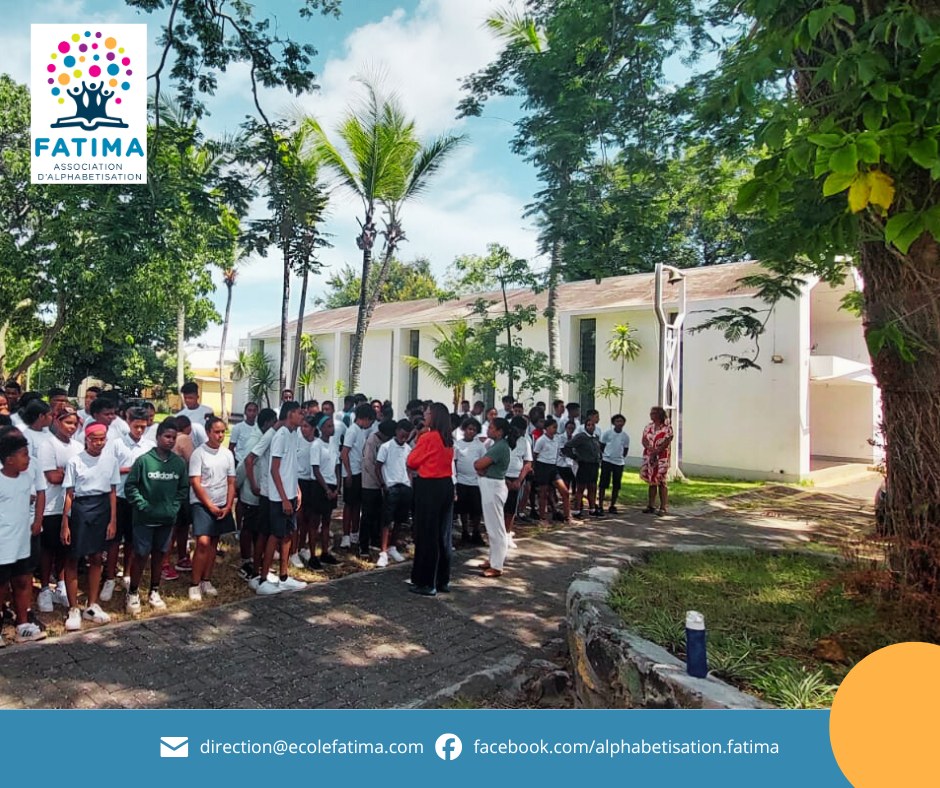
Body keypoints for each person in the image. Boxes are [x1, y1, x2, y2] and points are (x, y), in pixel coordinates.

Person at [123, 418, 189, 614]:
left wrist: (173, 507)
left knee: (160, 555)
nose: (170, 441)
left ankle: (154, 590)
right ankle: (133, 592)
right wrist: (143, 505)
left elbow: (183, 489)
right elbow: (130, 486)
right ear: (158, 437)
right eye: (167, 436)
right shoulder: (144, 461)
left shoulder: (178, 463)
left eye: (173, 438)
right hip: (144, 519)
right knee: (141, 555)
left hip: (166, 519)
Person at [61, 423, 119, 630]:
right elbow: (69, 494)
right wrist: (65, 523)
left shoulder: (111, 460)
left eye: (102, 439)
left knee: (96, 557)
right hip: (81, 508)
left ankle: (92, 604)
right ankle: (73, 607)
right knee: (73, 557)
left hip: (102, 508)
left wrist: (113, 520)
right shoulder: (75, 461)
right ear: (86, 439)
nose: (99, 443)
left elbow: (112, 492)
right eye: (94, 439)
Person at [102, 406, 154, 603]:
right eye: (136, 426)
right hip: (119, 497)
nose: (139, 430)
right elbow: (107, 469)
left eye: (143, 427)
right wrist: (131, 470)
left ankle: (127, 574)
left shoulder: (149, 446)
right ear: (128, 422)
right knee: (114, 540)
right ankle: (109, 578)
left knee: (133, 540)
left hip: (139, 498)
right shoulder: (116, 444)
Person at [0, 427, 46, 644]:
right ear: (9, 460)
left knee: (23, 580)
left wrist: (37, 521)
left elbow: (32, 497)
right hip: (3, 542)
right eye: (24, 455)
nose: (28, 459)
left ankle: (23, 624)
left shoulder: (27, 477)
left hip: (22, 541)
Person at [256, 402, 307, 595]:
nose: (302, 416)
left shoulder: (294, 434)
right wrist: (284, 498)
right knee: (275, 535)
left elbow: (290, 467)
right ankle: (263, 579)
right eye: (299, 413)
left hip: (290, 493)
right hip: (279, 497)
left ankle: (284, 576)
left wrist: (296, 489)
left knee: (287, 535)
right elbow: (274, 470)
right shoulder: (281, 436)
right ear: (290, 414)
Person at [36, 408, 82, 613]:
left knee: (65, 547)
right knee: (48, 549)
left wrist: (66, 473)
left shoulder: (78, 446)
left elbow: (82, 474)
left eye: (74, 423)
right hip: (51, 505)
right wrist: (71, 475)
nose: (71, 427)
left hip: (70, 505)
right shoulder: (48, 445)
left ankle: (61, 584)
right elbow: (52, 477)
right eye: (67, 422)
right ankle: (45, 588)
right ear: (57, 421)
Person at [406, 403, 455, 596]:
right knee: (444, 534)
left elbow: (411, 461)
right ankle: (442, 580)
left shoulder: (428, 437)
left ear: (434, 416)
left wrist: (419, 439)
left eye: (427, 413)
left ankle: (426, 582)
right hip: (446, 485)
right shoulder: (448, 438)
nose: (424, 416)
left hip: (429, 486)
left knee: (427, 534)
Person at [187, 416, 236, 601]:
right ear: (208, 432)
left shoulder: (227, 454)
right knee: (203, 542)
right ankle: (194, 583)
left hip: (222, 502)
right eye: (216, 432)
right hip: (202, 503)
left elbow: (231, 481)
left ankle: (206, 579)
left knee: (214, 542)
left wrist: (228, 505)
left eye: (223, 432)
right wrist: (209, 505)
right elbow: (195, 482)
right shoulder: (199, 453)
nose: (220, 435)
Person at [236, 408, 277, 581]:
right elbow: (246, 464)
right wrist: (248, 485)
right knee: (248, 528)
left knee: (258, 528)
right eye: (274, 422)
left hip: (263, 491)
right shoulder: (255, 439)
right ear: (267, 423)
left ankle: (256, 560)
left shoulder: (267, 438)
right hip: (251, 491)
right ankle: (245, 561)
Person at [473, 417, 511, 578]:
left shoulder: (500, 447)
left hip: (494, 487)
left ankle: (497, 565)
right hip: (490, 484)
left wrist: (480, 467)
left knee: (496, 527)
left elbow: (478, 464)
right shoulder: (496, 445)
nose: (488, 430)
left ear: (500, 431)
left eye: (491, 428)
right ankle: (493, 558)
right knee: (491, 526)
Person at [374, 419, 412, 567]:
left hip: (405, 486)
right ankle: (383, 551)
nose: (404, 438)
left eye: (407, 436)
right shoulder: (386, 447)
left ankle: (393, 546)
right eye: (402, 434)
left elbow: (409, 468)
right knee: (386, 520)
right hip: (391, 486)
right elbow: (378, 466)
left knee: (399, 520)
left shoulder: (408, 449)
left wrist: (410, 484)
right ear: (397, 431)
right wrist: (383, 484)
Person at [340, 403, 376, 549]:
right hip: (352, 472)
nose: (370, 425)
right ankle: (346, 535)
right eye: (370, 421)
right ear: (365, 418)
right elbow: (344, 453)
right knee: (349, 504)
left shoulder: (361, 431)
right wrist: (348, 473)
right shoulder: (352, 431)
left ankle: (355, 533)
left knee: (357, 504)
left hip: (359, 471)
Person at [308, 415, 340, 569]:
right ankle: (312, 555)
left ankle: (325, 552)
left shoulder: (334, 444)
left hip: (332, 485)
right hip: (319, 485)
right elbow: (316, 469)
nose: (331, 428)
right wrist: (326, 488)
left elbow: (337, 466)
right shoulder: (317, 445)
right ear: (321, 428)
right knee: (315, 522)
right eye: (328, 426)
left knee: (327, 521)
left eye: (332, 425)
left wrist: (337, 487)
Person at [359, 419, 394, 562]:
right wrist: (380, 481)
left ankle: (375, 539)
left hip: (382, 484)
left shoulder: (387, 443)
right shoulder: (371, 441)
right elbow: (368, 464)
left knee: (378, 514)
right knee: (367, 515)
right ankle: (363, 546)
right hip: (370, 484)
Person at [290, 413, 319, 568]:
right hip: (298, 481)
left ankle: (302, 547)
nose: (303, 429)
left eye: (306, 426)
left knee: (308, 519)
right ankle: (293, 552)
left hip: (312, 482)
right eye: (302, 426)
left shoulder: (317, 443)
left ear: (313, 428)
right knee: (298, 518)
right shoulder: (297, 441)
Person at [454, 417, 486, 545]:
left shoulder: (480, 446)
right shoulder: (457, 445)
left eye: (474, 430)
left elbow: (484, 461)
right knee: (463, 509)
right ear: (464, 429)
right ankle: (465, 531)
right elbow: (455, 461)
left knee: (476, 509)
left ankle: (476, 532)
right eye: (469, 429)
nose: (471, 431)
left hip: (476, 482)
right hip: (461, 481)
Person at [533, 418, 571, 523]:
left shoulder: (557, 439)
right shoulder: (541, 440)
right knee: (543, 494)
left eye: (556, 427)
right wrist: (534, 469)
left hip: (553, 467)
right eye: (553, 427)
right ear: (547, 428)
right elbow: (535, 454)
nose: (555, 429)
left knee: (565, 491)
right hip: (542, 466)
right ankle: (542, 518)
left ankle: (567, 516)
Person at [566, 415, 603, 518]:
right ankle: (577, 510)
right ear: (585, 426)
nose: (591, 427)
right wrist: (574, 457)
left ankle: (592, 509)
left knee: (592, 487)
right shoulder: (581, 436)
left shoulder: (595, 437)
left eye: (592, 425)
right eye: (588, 425)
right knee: (581, 488)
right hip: (584, 464)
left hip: (594, 464)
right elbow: (568, 446)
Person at [640, 406, 674, 515]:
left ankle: (663, 507)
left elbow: (667, 441)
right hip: (650, 456)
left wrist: (657, 451)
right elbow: (644, 440)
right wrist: (650, 450)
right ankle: (651, 505)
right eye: (651, 413)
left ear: (659, 414)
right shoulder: (648, 427)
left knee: (662, 481)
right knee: (652, 481)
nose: (651, 415)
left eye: (654, 413)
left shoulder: (667, 428)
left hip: (661, 457)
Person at [503, 416, 533, 538]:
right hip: (501, 478)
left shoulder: (525, 442)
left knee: (511, 509)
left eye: (523, 430)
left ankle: (507, 533)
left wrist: (519, 480)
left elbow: (528, 463)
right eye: (519, 429)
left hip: (516, 479)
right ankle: (498, 534)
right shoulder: (503, 440)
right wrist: (504, 479)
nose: (520, 433)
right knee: (500, 508)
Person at [599, 414, 631, 514]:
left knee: (616, 484)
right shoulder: (607, 433)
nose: (619, 423)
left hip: (619, 462)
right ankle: (600, 505)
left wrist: (620, 457)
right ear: (613, 423)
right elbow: (602, 446)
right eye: (617, 421)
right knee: (603, 483)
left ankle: (612, 505)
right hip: (607, 460)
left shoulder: (625, 436)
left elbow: (625, 450)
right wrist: (606, 455)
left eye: (621, 421)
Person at [176, 381, 213, 449]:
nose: (187, 400)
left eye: (190, 398)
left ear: (197, 397)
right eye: (185, 398)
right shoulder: (179, 416)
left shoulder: (208, 411)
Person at [229, 402, 260, 466]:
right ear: (245, 412)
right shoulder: (238, 427)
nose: (252, 413)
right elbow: (231, 447)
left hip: (255, 463)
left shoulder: (259, 428)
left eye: (254, 411)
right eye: (249, 410)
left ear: (257, 413)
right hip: (240, 461)